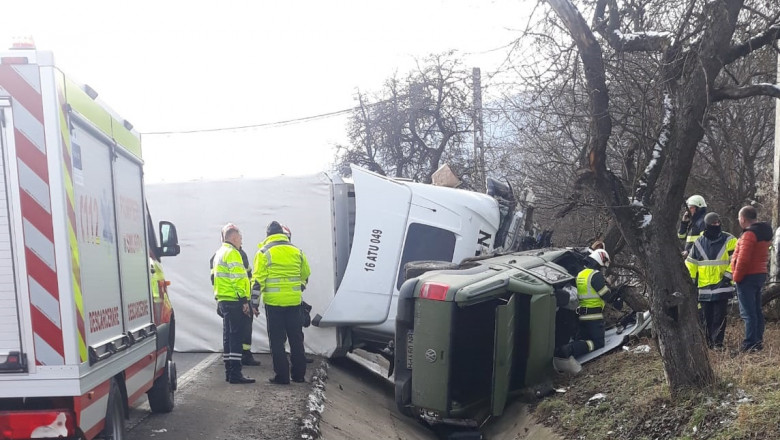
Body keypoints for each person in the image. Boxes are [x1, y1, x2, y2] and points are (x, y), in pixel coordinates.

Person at [252, 221, 311, 384]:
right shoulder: (297, 251)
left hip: (274, 304)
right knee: (296, 339)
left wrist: (254, 303)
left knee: (277, 341)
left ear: (268, 236)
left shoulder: (264, 252)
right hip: (294, 302)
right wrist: (298, 288)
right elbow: (305, 273)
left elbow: (257, 281)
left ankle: (282, 376)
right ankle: (299, 375)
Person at [555, 249, 621, 371]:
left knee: (585, 340)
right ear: (599, 261)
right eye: (602, 266)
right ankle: (569, 349)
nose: (602, 269)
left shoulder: (581, 274)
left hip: (581, 315)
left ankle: (570, 350)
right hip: (593, 316)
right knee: (598, 343)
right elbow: (605, 295)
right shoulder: (595, 275)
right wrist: (610, 288)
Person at [210, 224, 260, 367]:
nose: (241, 241)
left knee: (229, 336)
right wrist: (246, 301)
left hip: (225, 298)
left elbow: (215, 279)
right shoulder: (233, 253)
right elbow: (238, 278)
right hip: (234, 300)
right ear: (233, 237)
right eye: (240, 238)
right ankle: (235, 372)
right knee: (236, 337)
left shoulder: (219, 252)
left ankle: (230, 369)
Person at [684, 212, 737, 349]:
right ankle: (708, 344)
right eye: (713, 223)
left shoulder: (730, 240)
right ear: (707, 225)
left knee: (719, 317)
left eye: (718, 222)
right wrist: (691, 283)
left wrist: (728, 275)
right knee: (706, 317)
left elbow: (736, 260)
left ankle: (718, 343)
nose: (716, 225)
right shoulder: (699, 242)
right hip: (704, 286)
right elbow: (691, 264)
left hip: (722, 284)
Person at [731, 206, 772, 352]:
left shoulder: (749, 234)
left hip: (747, 276)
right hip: (759, 273)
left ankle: (749, 344)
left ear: (743, 219)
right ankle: (757, 341)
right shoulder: (763, 232)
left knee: (748, 313)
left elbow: (743, 259)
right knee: (756, 310)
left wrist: (736, 277)